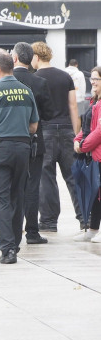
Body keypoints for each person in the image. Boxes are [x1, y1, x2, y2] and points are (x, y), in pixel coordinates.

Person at [0, 52, 39, 264]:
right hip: (23, 147)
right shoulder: (26, 91)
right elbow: (34, 126)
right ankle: (15, 242)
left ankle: (7, 248)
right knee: (17, 196)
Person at [32, 41, 83, 232]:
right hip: (67, 130)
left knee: (47, 178)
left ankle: (48, 221)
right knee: (73, 177)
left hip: (45, 132)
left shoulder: (35, 78)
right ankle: (85, 218)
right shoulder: (65, 76)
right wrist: (76, 135)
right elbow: (73, 106)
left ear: (36, 57)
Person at [11, 42, 54, 245]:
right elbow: (48, 113)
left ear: (15, 58)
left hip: (10, 141)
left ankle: (11, 230)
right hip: (35, 141)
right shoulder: (39, 82)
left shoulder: (6, 81)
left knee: (11, 186)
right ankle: (32, 231)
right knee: (32, 187)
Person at [74, 67, 101, 243]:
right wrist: (76, 140)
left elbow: (99, 131)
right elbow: (86, 127)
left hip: (97, 154)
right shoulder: (94, 101)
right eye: (91, 79)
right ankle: (92, 229)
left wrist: (83, 146)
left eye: (96, 79)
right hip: (93, 154)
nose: (92, 82)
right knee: (95, 194)